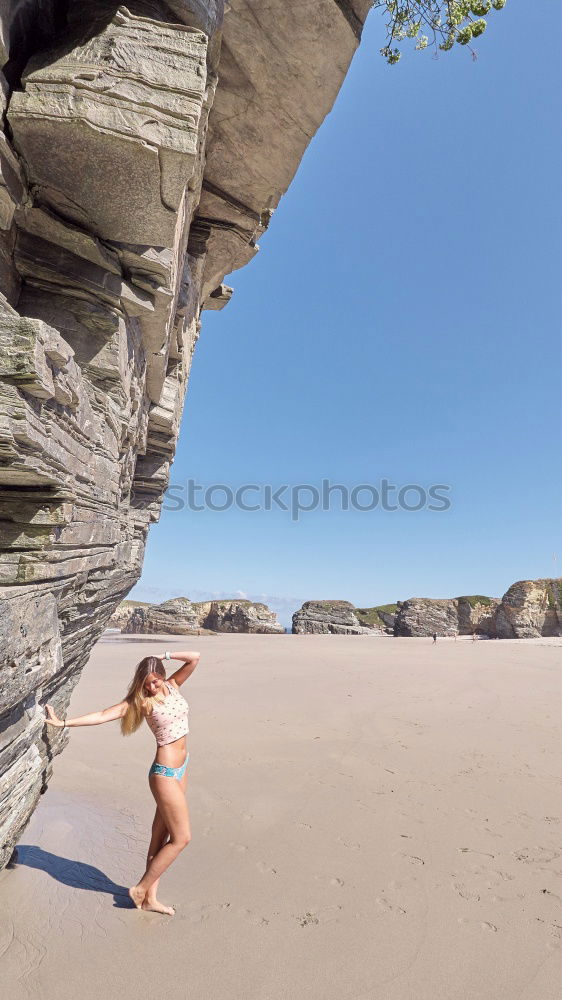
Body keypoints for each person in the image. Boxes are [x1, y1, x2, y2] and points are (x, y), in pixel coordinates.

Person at [44, 648, 200, 916]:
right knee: (182, 838)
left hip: (182, 768)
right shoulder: (141, 702)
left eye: (155, 681)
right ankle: (140, 889)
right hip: (163, 773)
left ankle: (150, 898)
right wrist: (63, 723)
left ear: (163, 677)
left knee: (160, 837)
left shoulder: (174, 685)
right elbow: (103, 714)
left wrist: (163, 655)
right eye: (146, 683)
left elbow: (194, 657)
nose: (151, 687)